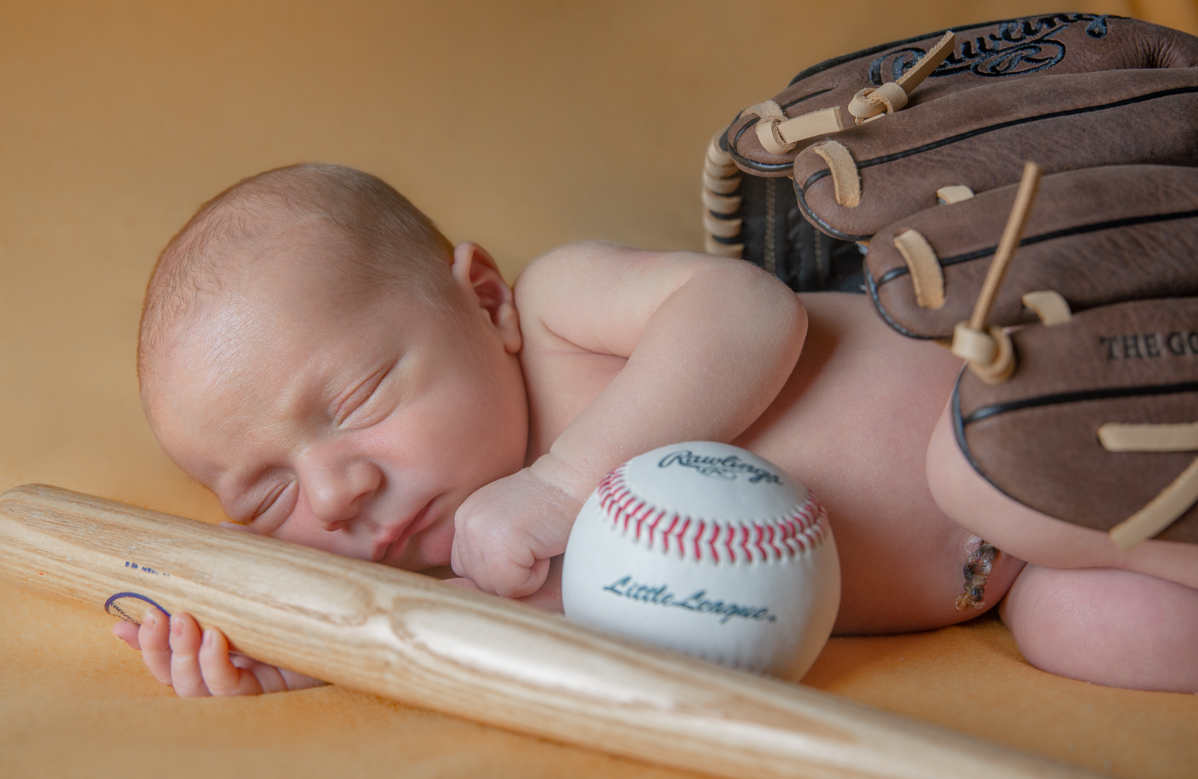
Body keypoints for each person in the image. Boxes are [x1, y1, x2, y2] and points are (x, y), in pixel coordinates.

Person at [114, 163, 1197, 697]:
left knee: (988, 481)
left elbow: (744, 309)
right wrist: (306, 653)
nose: (334, 491)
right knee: (1090, 630)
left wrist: (564, 480)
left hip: (1034, 402)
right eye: (266, 497)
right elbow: (425, 638)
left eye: (352, 401)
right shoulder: (488, 575)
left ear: (479, 301)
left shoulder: (553, 311)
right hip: (1000, 592)